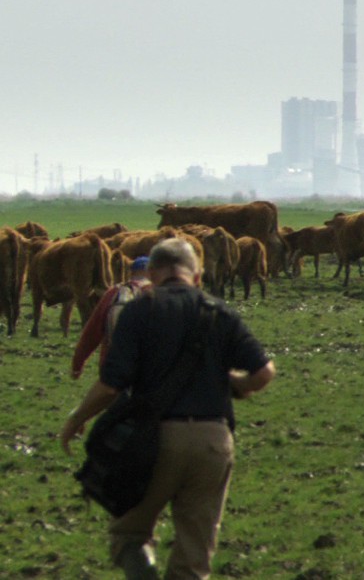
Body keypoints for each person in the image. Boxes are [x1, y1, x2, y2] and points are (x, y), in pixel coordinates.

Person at [59, 238, 275, 579]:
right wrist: (235, 384)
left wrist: (76, 419)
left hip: (154, 440)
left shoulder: (139, 311)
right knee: (194, 553)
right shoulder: (219, 312)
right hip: (212, 441)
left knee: (128, 535)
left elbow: (111, 384)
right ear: (198, 276)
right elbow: (264, 372)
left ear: (153, 274)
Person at [71, 255, 155, 379]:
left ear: (131, 273)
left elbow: (91, 334)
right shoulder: (161, 293)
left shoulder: (114, 293)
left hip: (112, 368)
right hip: (151, 371)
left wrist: (77, 365)